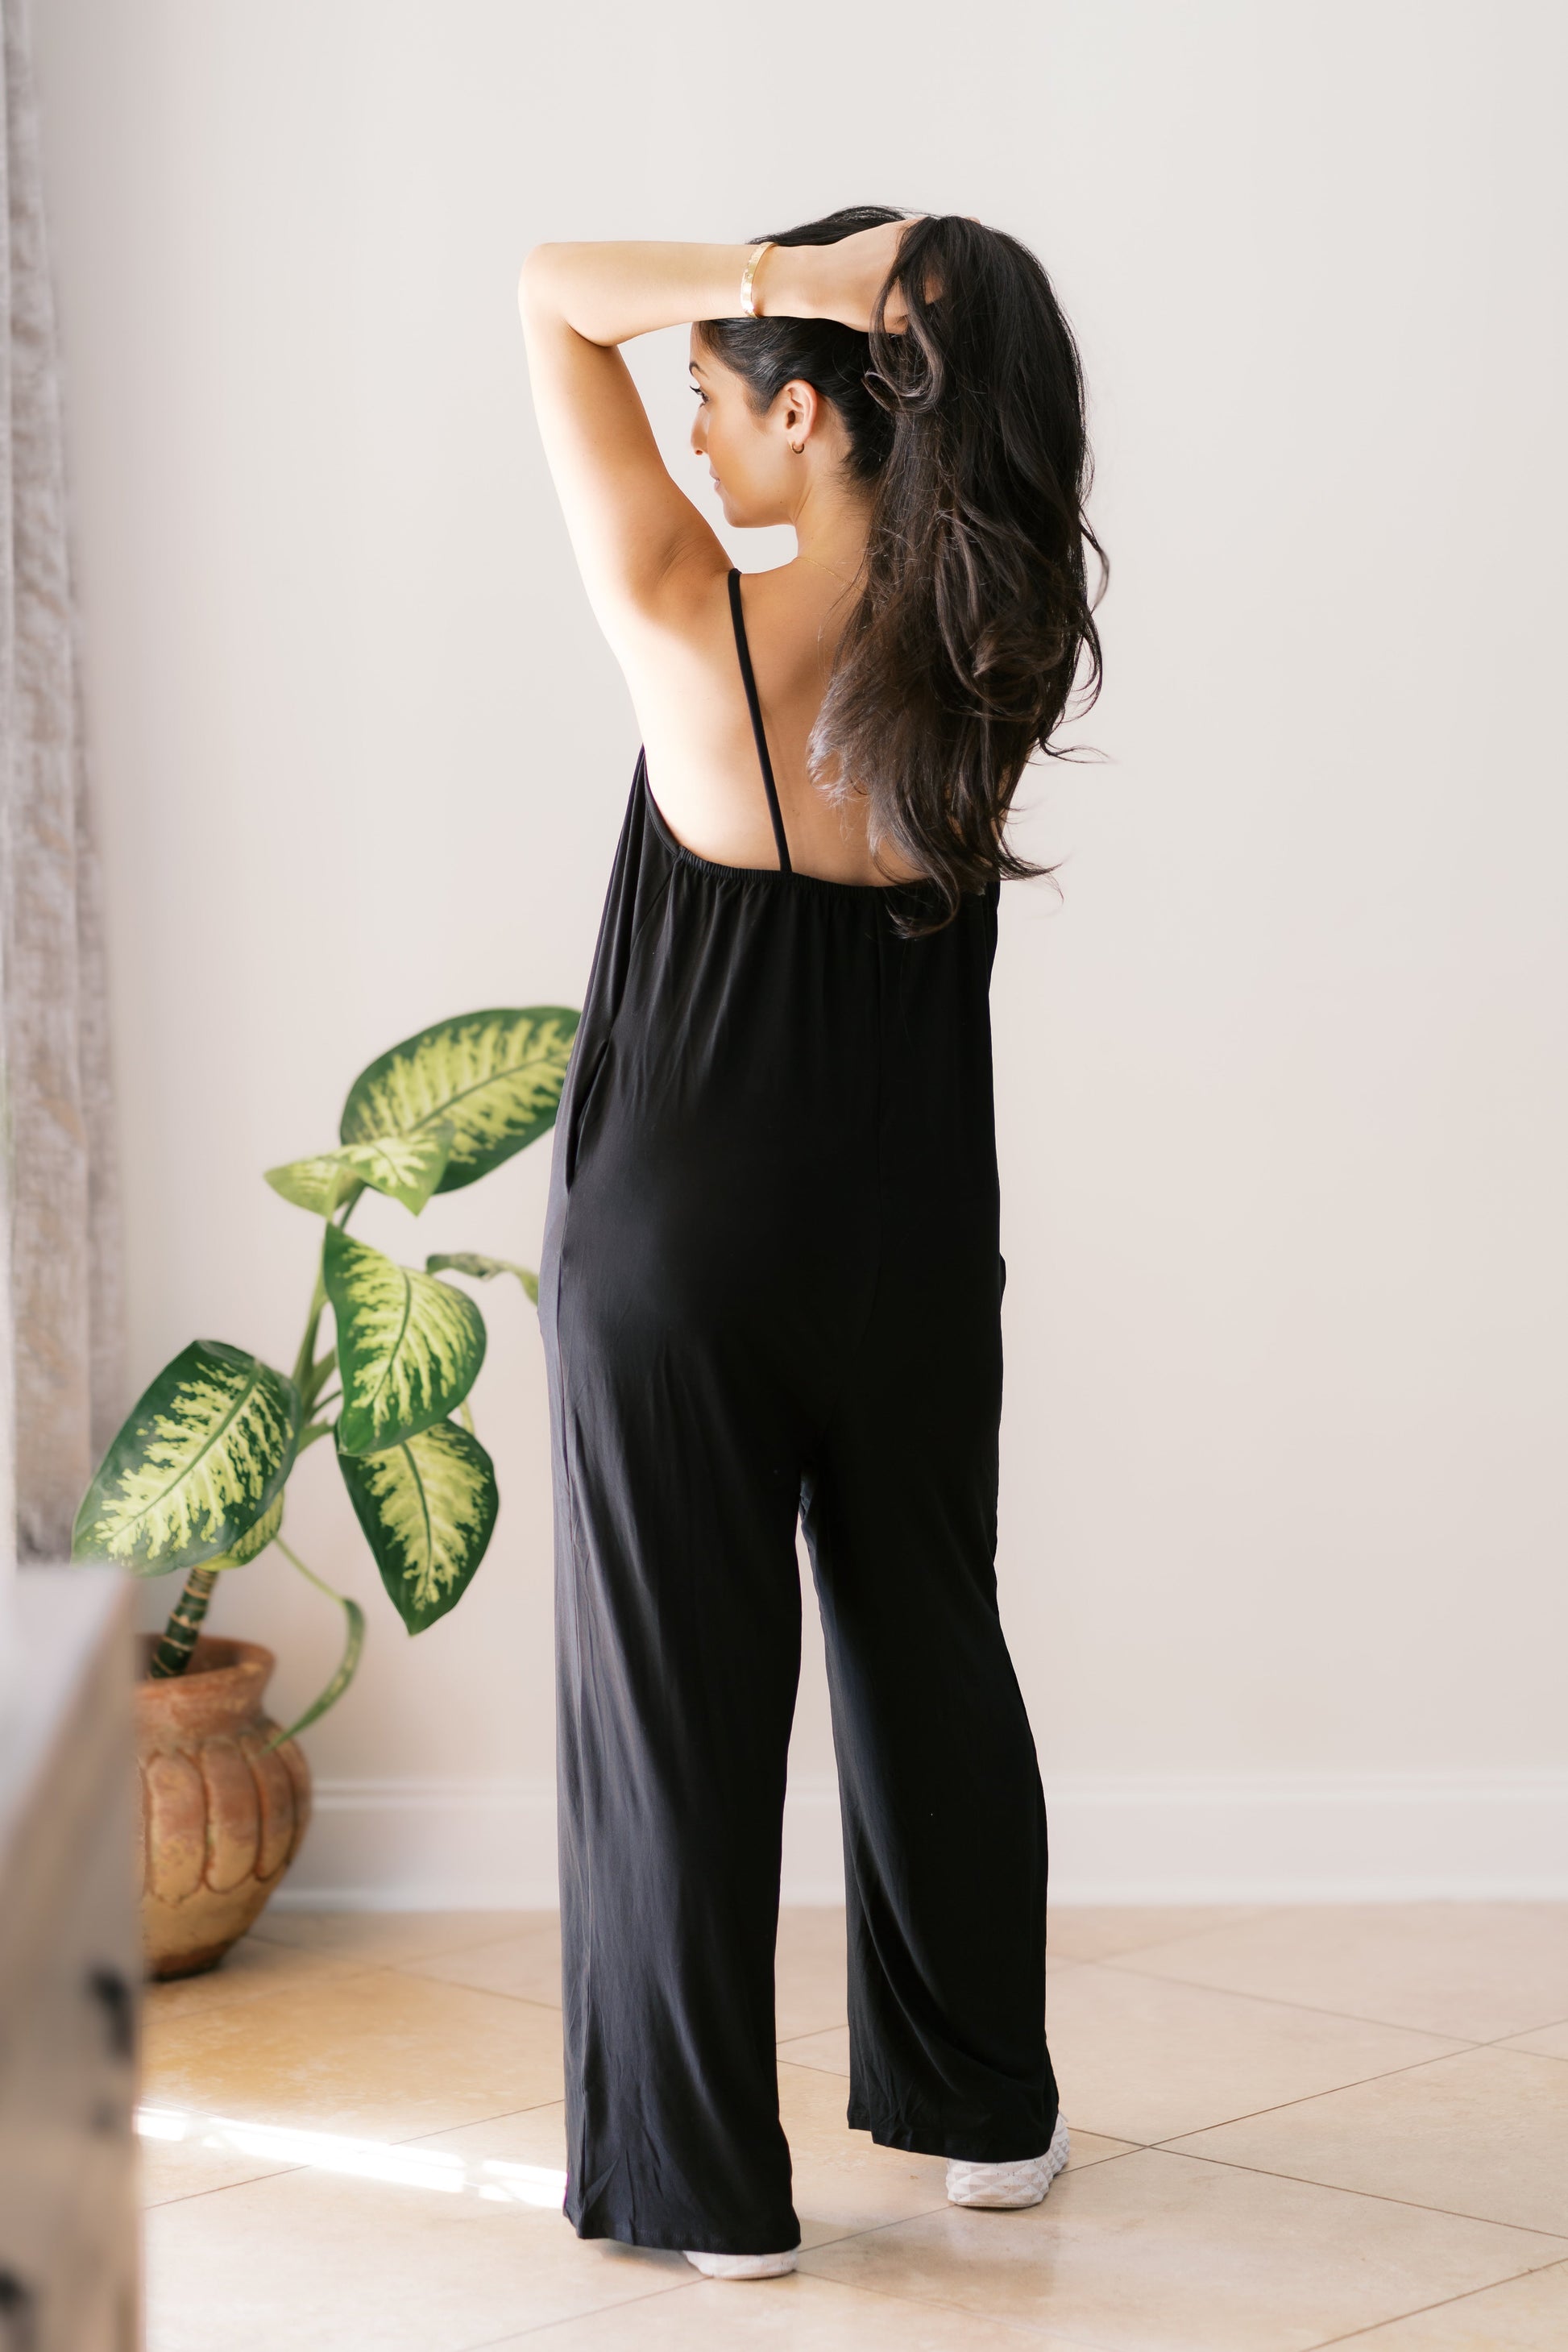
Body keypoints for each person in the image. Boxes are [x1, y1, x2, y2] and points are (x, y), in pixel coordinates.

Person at [518, 206, 1102, 2279]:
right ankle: (986, 2108)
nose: (693, 423)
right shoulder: (998, 654)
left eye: (717, 392)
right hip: (916, 1230)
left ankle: (708, 2189)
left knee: (675, 1692)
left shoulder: (694, 619)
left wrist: (789, 274)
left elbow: (550, 292)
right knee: (928, 1640)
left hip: (682, 1231)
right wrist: (875, 306)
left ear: (806, 408)